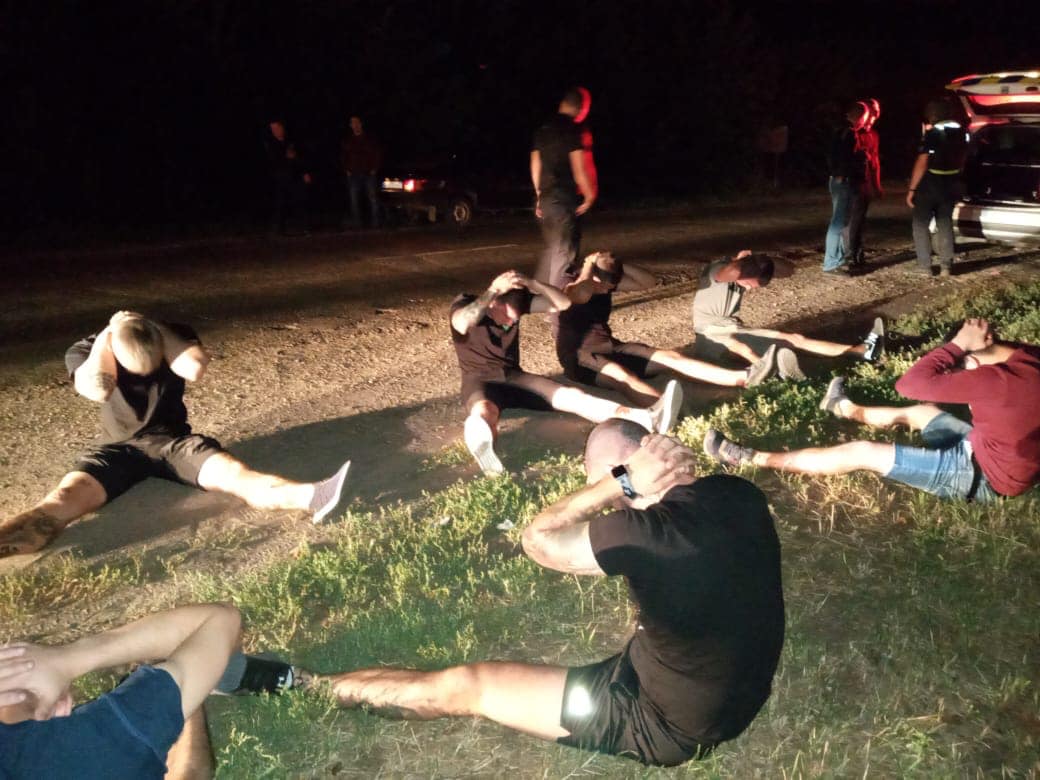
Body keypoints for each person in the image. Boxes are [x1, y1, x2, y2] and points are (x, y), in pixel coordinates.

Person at [309, 425, 785, 767]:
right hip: (735, 691)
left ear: (628, 474)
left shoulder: (639, 534)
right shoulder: (738, 492)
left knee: (473, 686)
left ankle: (308, 687)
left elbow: (538, 540)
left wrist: (616, 482)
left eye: (597, 480)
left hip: (664, 723)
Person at [0, 311, 352, 559]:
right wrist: (109, 337)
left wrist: (155, 328)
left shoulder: (173, 335)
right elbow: (96, 389)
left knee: (236, 476)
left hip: (174, 445)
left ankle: (313, 497)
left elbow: (194, 367)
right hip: (119, 450)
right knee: (61, 500)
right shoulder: (86, 351)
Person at [704, 318, 1040, 503]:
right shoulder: (1028, 357)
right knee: (922, 412)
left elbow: (909, 384)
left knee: (862, 452)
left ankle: (750, 457)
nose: (957, 379)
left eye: (959, 370)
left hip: (981, 477)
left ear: (974, 359)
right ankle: (843, 407)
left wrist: (957, 345)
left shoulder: (994, 380)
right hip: (984, 446)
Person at [450, 270, 681, 474]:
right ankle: (486, 452)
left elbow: (562, 303)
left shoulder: (516, 304)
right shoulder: (465, 304)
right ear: (493, 303)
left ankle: (644, 418)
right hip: (478, 379)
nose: (512, 321)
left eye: (516, 317)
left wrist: (533, 283)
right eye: (508, 315)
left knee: (572, 396)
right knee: (484, 412)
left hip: (513, 376)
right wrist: (492, 290)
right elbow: (462, 323)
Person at [0, 603, 241, 779]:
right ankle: (184, 707)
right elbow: (219, 621)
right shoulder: (86, 748)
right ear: (60, 709)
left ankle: (180, 707)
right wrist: (66, 660)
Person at [556, 251, 781, 406]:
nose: (607, 290)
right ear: (592, 276)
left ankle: (745, 378)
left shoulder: (604, 283)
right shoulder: (574, 285)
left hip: (612, 348)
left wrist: (619, 263)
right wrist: (588, 266)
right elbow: (577, 294)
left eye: (611, 285)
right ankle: (660, 411)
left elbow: (648, 281)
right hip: (580, 357)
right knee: (623, 376)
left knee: (671, 358)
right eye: (604, 285)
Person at [692, 250, 885, 375]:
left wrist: (762, 259)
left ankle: (858, 353)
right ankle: (861, 352)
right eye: (749, 284)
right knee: (789, 341)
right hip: (712, 332)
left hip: (724, 330)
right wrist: (745, 259)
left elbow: (789, 270)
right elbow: (733, 270)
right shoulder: (719, 271)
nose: (749, 289)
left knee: (789, 344)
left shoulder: (740, 272)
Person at [531, 87, 598, 284]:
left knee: (552, 250)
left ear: (562, 104)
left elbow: (535, 164)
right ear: (582, 109)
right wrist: (589, 196)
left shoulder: (542, 129)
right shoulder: (572, 130)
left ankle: (539, 295)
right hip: (563, 198)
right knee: (564, 254)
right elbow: (579, 169)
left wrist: (539, 195)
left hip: (546, 199)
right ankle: (558, 301)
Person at [907, 98, 968, 278]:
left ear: (932, 115)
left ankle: (925, 267)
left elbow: (922, 161)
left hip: (930, 184)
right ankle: (946, 266)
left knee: (920, 224)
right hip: (950, 184)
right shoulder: (962, 132)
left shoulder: (933, 133)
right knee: (945, 222)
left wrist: (912, 190)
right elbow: (964, 157)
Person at [823, 103, 870, 275]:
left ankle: (837, 259)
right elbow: (843, 156)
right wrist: (842, 173)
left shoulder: (840, 131)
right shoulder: (848, 133)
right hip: (843, 180)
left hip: (840, 179)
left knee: (842, 221)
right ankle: (831, 263)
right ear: (860, 117)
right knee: (838, 222)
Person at [846, 99, 883, 269]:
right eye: (872, 114)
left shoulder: (872, 135)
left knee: (859, 219)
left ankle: (857, 253)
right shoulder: (851, 134)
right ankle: (850, 254)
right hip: (852, 182)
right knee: (853, 219)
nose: (874, 117)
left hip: (864, 183)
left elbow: (875, 162)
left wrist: (877, 185)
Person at [263, 119, 312, 236]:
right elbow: (273, 161)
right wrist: (286, 158)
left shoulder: (291, 141)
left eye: (276, 128)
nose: (275, 131)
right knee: (280, 204)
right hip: (280, 178)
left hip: (295, 177)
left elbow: (301, 158)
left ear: (282, 128)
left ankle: (305, 227)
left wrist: (305, 172)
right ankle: (280, 229)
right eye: (272, 129)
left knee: (300, 202)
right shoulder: (271, 144)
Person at [340, 115, 384, 229]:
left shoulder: (370, 139)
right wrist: (346, 169)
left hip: (368, 172)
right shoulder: (348, 140)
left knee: (373, 198)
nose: (355, 125)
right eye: (353, 123)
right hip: (353, 173)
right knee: (354, 200)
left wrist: (375, 168)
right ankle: (357, 224)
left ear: (361, 124)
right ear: (350, 126)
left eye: (357, 122)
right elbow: (343, 156)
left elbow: (377, 153)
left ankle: (376, 223)